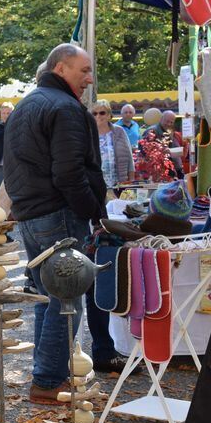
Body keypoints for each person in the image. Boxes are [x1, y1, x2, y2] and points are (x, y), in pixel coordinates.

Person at [3, 43, 106, 405]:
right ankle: (47, 382)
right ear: (61, 69)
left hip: (33, 213)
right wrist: (94, 210)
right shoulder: (63, 108)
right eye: (84, 70)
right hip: (56, 213)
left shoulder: (28, 104)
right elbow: (69, 173)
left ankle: (45, 377)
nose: (89, 79)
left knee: (48, 297)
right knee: (66, 299)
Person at [85, 100, 134, 373]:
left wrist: (126, 184)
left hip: (113, 194)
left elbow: (125, 156)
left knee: (101, 273)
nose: (99, 117)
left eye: (103, 113)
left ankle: (105, 347)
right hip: (94, 202)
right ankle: (101, 348)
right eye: (95, 113)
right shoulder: (84, 133)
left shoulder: (118, 133)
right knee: (95, 277)